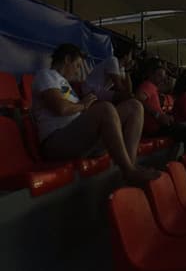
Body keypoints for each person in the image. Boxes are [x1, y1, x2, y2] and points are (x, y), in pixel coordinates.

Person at [31, 44, 159, 185]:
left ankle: (131, 165)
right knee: (105, 109)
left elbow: (76, 110)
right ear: (67, 59)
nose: (78, 71)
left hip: (78, 138)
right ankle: (128, 171)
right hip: (56, 142)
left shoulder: (65, 83)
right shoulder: (46, 75)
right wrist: (83, 105)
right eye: (77, 65)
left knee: (135, 106)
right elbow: (60, 108)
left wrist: (84, 108)